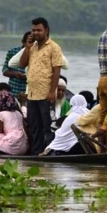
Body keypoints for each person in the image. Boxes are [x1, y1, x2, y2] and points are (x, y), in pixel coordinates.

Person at [19, 17, 65, 155]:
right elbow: (22, 64)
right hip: (32, 94)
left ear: (46, 30)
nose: (36, 33)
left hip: (46, 94)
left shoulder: (54, 47)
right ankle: (36, 153)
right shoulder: (32, 47)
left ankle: (50, 153)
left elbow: (57, 71)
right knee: (35, 126)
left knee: (47, 127)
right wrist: (27, 48)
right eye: (33, 30)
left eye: (39, 30)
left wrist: (53, 91)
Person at [0, 90, 28, 155]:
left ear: (1, 103)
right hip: (23, 147)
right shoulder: (19, 113)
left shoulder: (1, 114)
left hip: (11, 145)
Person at [2, 31, 30, 97]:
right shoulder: (12, 52)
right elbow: (4, 71)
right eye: (29, 42)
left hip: (28, 93)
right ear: (23, 42)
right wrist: (15, 74)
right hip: (13, 91)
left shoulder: (37, 55)